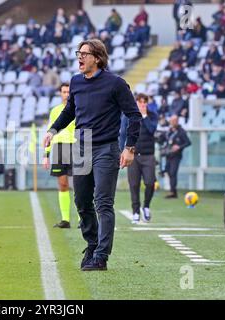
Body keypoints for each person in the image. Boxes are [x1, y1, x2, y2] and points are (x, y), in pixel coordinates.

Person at [43, 39, 142, 271]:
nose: (79, 57)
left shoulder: (116, 84)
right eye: (78, 53)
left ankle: (101, 256)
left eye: (84, 54)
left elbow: (134, 116)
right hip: (82, 147)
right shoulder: (76, 82)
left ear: (97, 58)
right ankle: (92, 244)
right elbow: (70, 111)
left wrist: (129, 148)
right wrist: (53, 130)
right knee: (81, 201)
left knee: (103, 202)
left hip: (106, 149)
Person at [120, 93, 158, 224]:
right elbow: (123, 133)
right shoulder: (128, 115)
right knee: (134, 184)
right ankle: (135, 211)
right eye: (140, 102)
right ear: (136, 102)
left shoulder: (152, 115)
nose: (142, 104)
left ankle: (146, 206)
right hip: (133, 155)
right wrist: (122, 151)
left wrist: (145, 116)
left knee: (150, 182)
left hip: (148, 155)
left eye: (144, 102)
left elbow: (152, 130)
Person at [43, 83, 76, 229]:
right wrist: (46, 154)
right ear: (60, 93)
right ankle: (65, 219)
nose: (66, 94)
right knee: (63, 184)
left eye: (69, 92)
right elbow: (50, 132)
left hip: (76, 147)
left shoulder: (79, 108)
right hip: (58, 148)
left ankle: (83, 219)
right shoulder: (55, 111)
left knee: (80, 185)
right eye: (64, 92)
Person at [162, 115, 191, 199]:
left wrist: (179, 147)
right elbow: (165, 140)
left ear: (177, 121)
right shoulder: (169, 131)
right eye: (171, 120)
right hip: (168, 154)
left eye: (174, 121)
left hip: (176, 156)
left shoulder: (181, 131)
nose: (172, 122)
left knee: (173, 172)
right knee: (168, 171)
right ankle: (172, 191)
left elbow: (188, 142)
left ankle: (173, 192)